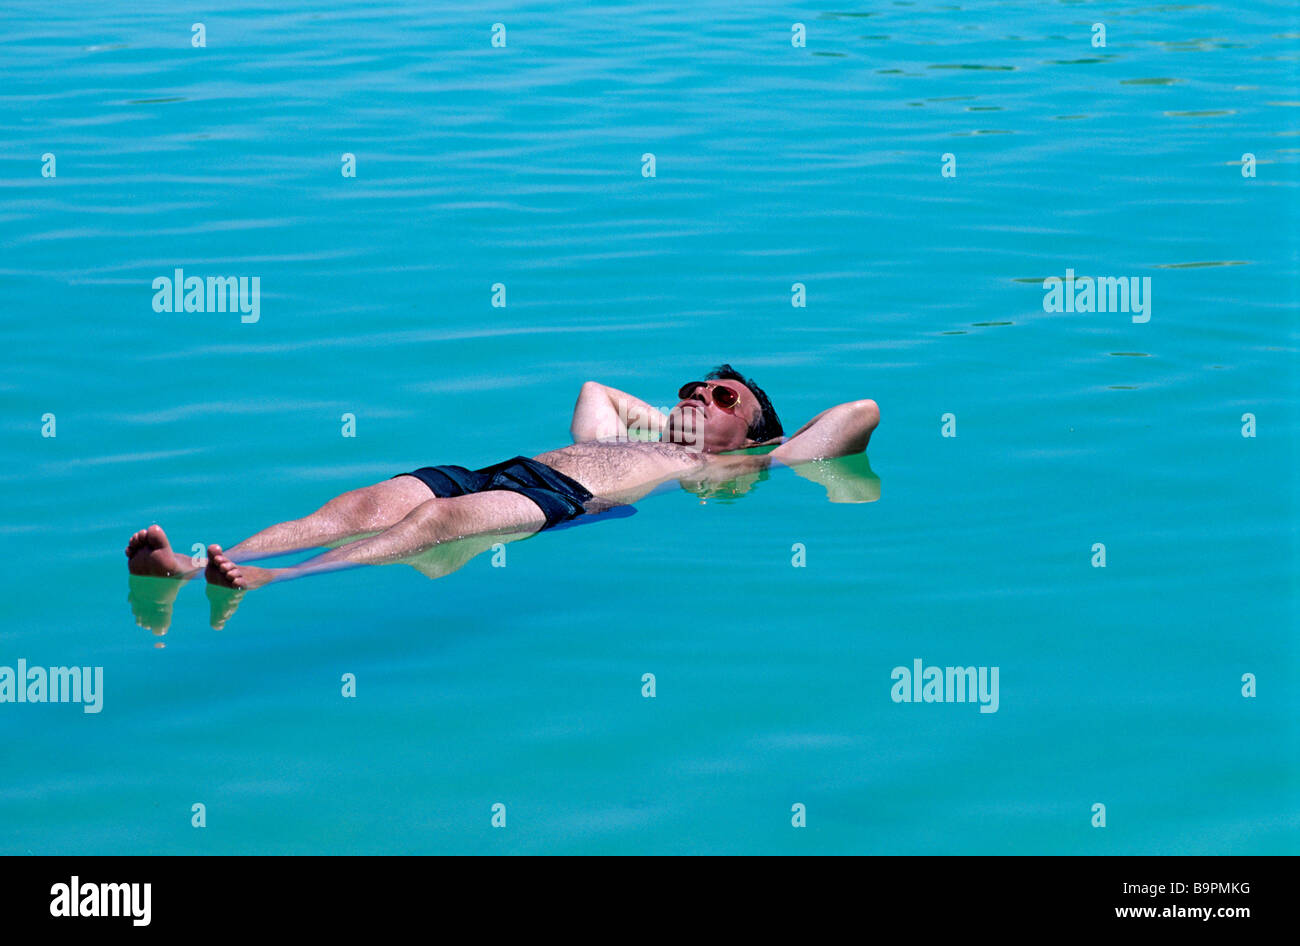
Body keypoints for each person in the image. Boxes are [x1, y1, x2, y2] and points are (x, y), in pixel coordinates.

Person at [125, 364, 879, 598]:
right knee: (358, 504)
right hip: (505, 468)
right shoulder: (641, 433)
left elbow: (857, 413)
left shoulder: (733, 464)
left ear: (754, 430)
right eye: (694, 386)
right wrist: (667, 415)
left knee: (437, 529)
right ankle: (189, 564)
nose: (698, 398)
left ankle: (264, 580)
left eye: (723, 399)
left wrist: (748, 444)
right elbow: (596, 393)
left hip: (562, 501)